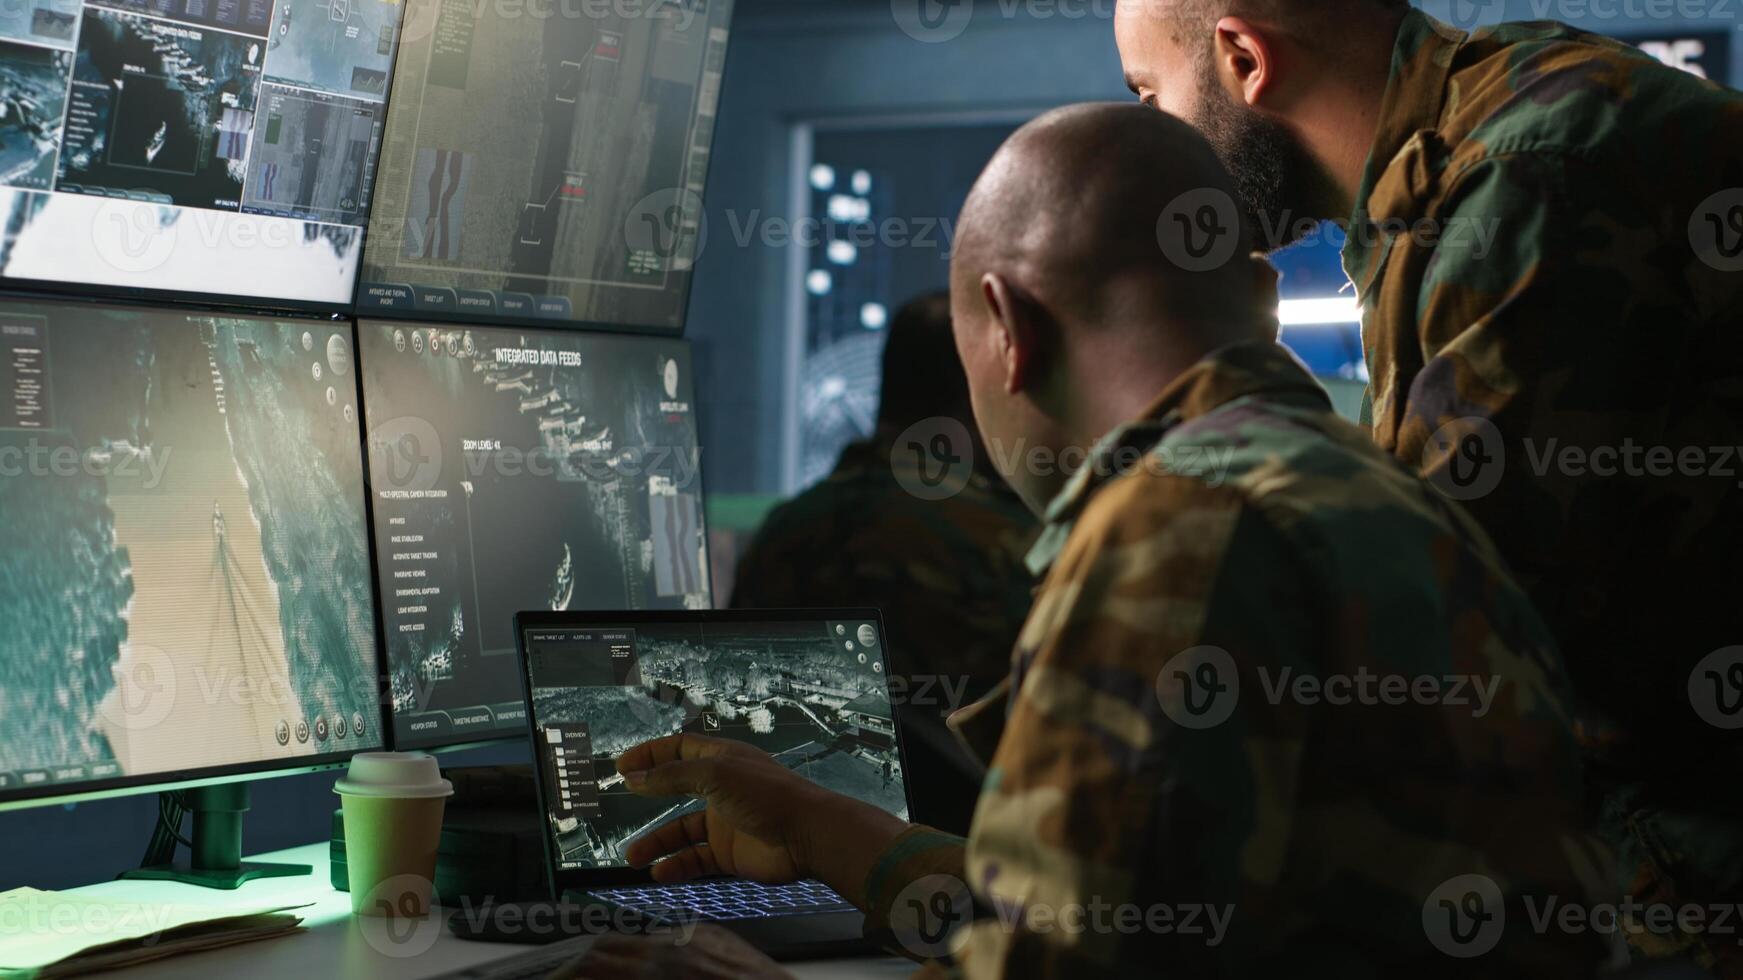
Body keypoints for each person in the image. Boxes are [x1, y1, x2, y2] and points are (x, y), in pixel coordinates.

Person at [555, 104, 1606, 979]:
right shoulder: (1369, 491)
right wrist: (820, 822)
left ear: (1010, 330)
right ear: (1261, 299)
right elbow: (1122, 911)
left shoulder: (1178, 530)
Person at [1114, 3, 1743, 967]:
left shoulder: (1526, 172)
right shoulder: (1448, 171)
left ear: (1243, 57)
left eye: (1148, 94)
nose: (1151, 143)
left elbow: (1438, 650)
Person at [731, 291, 1039, 835]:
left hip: (787, 861)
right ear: (982, 387)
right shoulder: (1010, 543)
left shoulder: (784, 532)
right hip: (972, 875)